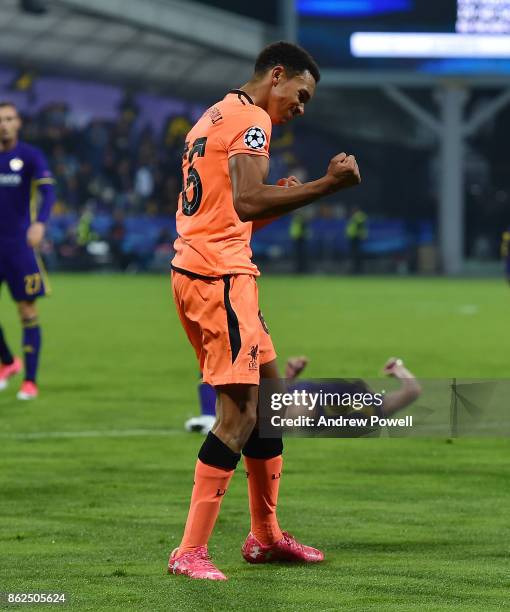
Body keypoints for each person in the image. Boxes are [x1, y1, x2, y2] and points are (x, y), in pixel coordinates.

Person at [169, 41, 361, 581]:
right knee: (240, 416)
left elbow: (228, 213)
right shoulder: (253, 120)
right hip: (220, 279)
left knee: (271, 402)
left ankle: (267, 537)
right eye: (300, 95)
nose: (301, 107)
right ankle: (190, 552)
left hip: (206, 268)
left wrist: (280, 199)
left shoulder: (214, 115)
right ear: (276, 75)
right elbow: (249, 201)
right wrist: (327, 186)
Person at [0, 102, 56, 399]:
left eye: (9, 119)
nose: (4, 125)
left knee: (27, 311)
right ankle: (8, 362)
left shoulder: (30, 156)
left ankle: (29, 381)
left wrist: (40, 224)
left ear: (18, 122)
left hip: (19, 248)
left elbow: (48, 192)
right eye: (0, 120)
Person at [345, 206, 368, 274]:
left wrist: (359, 234)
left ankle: (357, 270)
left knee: (356, 255)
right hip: (354, 237)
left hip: (356, 237)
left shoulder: (358, 216)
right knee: (355, 254)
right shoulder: (356, 216)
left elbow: (360, 227)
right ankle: (357, 269)